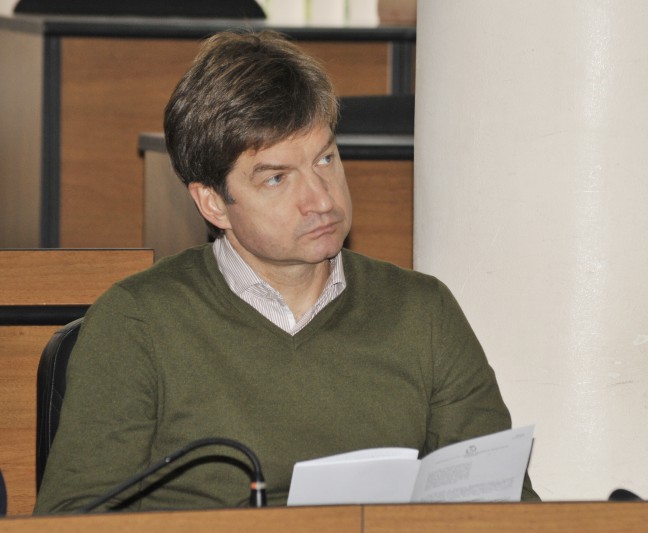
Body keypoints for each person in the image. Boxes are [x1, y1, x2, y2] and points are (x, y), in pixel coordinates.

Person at [34, 30, 537, 513]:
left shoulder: (422, 311)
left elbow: (505, 508)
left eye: (325, 159)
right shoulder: (138, 322)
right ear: (213, 203)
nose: (320, 199)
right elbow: (73, 520)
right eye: (277, 179)